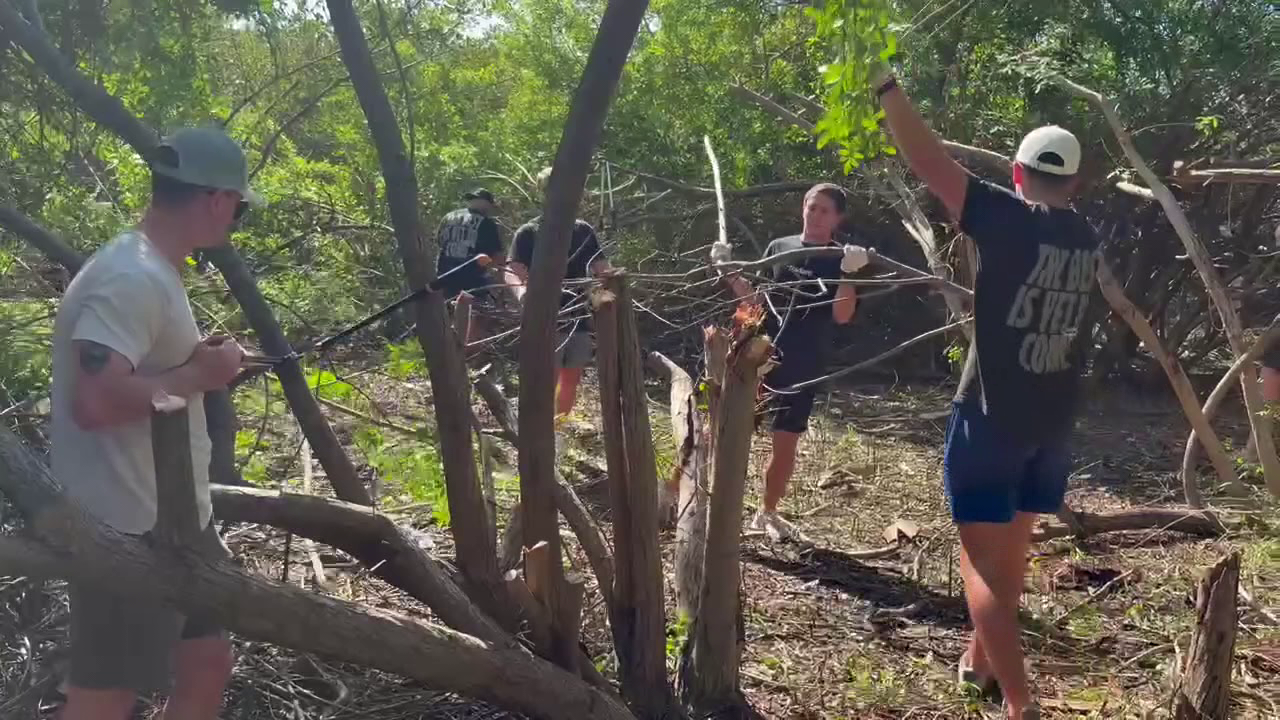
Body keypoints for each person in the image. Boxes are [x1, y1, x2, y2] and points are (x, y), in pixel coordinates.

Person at [873, 65, 1098, 720]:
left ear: (1018, 174)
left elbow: (926, 159)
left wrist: (887, 88)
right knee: (1013, 554)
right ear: (1076, 184)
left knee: (980, 569)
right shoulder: (1084, 233)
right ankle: (978, 664)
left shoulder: (1006, 217)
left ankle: (1021, 708)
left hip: (991, 420)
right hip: (1053, 426)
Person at [51, 126, 254, 720]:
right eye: (238, 208)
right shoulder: (131, 276)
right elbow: (94, 402)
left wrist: (196, 367)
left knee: (207, 660)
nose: (234, 219)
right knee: (104, 697)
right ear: (216, 199)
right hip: (123, 527)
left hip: (174, 522)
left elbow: (139, 376)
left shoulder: (150, 267)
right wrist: (198, 377)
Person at [720, 183, 867, 541]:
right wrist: (729, 273)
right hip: (759, 355)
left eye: (825, 211)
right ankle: (718, 503)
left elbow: (843, 315)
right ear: (803, 206)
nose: (815, 215)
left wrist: (849, 274)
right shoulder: (780, 248)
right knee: (729, 430)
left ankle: (766, 512)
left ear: (837, 218)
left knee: (784, 440)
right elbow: (757, 303)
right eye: (812, 207)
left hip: (804, 362)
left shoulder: (839, 257)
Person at [507, 167, 611, 421]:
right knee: (545, 376)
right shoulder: (528, 232)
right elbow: (513, 270)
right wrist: (523, 294)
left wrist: (610, 286)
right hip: (544, 317)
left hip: (578, 313)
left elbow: (601, 267)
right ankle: (537, 428)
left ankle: (558, 428)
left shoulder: (583, 230)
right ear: (545, 192)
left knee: (571, 376)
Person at [434, 188, 507, 344]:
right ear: (487, 204)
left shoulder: (448, 217)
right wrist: (500, 282)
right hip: (472, 280)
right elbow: (497, 256)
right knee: (474, 319)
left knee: (447, 319)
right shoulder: (487, 223)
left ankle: (447, 352)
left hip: (444, 276)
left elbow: (439, 242)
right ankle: (465, 354)